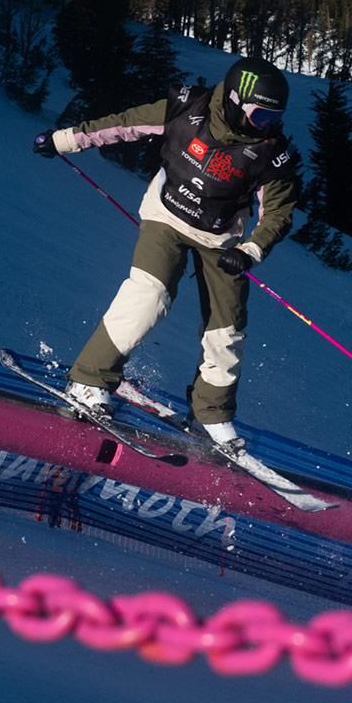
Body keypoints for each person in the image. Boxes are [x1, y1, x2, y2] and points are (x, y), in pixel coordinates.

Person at [33, 57, 300, 451]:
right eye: (260, 116)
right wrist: (64, 140)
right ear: (233, 99)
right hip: (167, 215)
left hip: (223, 238)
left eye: (273, 118)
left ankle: (211, 414)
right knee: (150, 294)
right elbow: (123, 124)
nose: (266, 126)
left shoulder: (270, 152)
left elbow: (278, 212)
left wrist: (250, 251)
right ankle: (89, 380)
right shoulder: (185, 108)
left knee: (227, 328)